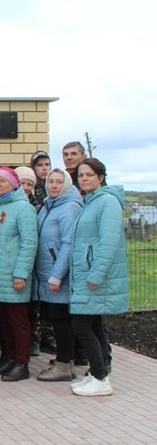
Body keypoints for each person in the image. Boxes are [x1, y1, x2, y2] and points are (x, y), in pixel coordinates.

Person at [69, 158, 128, 396]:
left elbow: (109, 242)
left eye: (89, 175)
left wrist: (97, 273)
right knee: (93, 325)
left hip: (94, 277)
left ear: (100, 177)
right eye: (81, 175)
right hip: (87, 274)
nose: (84, 179)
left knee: (81, 325)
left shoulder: (107, 202)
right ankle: (97, 373)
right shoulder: (90, 201)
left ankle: (101, 378)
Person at [0, 167, 38, 382]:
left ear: (13, 184)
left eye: (2, 181)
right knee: (3, 320)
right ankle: (9, 356)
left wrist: (21, 273)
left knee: (18, 321)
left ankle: (22, 363)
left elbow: (29, 243)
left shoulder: (23, 208)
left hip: (13, 277)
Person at [32, 169, 83, 382]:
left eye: (59, 182)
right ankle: (66, 361)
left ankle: (63, 365)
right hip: (47, 273)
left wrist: (57, 274)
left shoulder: (69, 208)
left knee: (60, 318)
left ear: (67, 184)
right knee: (57, 317)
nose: (53, 185)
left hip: (57, 276)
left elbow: (68, 244)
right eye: (50, 181)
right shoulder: (49, 205)